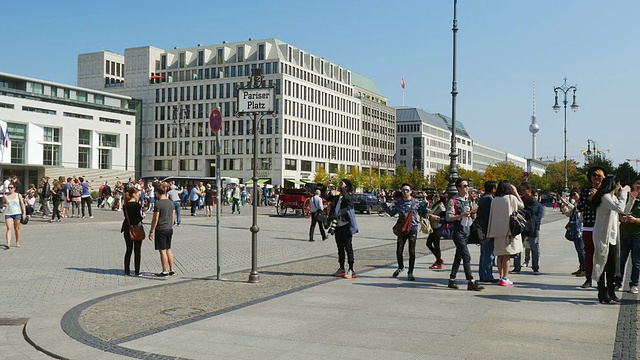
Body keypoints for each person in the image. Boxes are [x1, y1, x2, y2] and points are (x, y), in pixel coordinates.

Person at [592, 177, 628, 304]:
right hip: (603, 235)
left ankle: (611, 291)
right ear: (614, 185)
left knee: (612, 265)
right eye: (618, 184)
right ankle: (602, 292)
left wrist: (631, 197)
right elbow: (620, 208)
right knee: (601, 263)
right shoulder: (605, 197)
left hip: (613, 235)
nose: (620, 187)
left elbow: (623, 210)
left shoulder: (613, 197)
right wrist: (623, 194)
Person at [382, 183, 428, 281]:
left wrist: (425, 207)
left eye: (407, 190)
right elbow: (391, 213)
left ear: (411, 191)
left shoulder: (416, 202)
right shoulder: (399, 202)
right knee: (399, 251)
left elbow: (423, 214)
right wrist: (383, 204)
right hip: (402, 229)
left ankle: (410, 272)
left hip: (412, 229)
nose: (405, 192)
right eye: (403, 190)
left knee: (412, 251)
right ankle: (401, 266)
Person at [446, 179, 484, 291]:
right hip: (458, 232)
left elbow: (472, 217)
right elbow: (448, 217)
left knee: (459, 256)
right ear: (458, 188)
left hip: (466, 231)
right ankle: (470, 281)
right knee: (466, 256)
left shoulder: (468, 200)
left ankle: (452, 279)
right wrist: (461, 215)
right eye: (464, 186)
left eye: (467, 186)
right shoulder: (453, 201)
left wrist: (472, 213)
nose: (467, 188)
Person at [486, 180, 524, 287]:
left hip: (497, 231)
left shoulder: (494, 200)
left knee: (500, 255)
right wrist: (516, 192)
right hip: (509, 231)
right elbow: (522, 206)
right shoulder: (511, 198)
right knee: (507, 255)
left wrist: (489, 233)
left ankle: (500, 275)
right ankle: (505, 277)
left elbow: (491, 217)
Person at [577, 166, 607, 288]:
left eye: (598, 175)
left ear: (602, 178)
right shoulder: (585, 190)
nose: (596, 178)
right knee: (589, 253)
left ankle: (601, 281)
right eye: (594, 175)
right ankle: (588, 278)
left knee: (602, 254)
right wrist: (590, 198)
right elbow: (581, 207)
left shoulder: (605, 191)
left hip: (603, 225)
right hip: (589, 225)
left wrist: (598, 196)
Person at [325, 179, 359, 279]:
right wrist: (326, 185)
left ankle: (351, 269)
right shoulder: (337, 198)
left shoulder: (349, 196)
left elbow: (348, 200)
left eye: (342, 184)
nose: (340, 185)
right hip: (337, 226)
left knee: (348, 247)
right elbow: (326, 196)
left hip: (346, 226)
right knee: (339, 247)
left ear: (346, 187)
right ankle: (341, 268)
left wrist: (343, 188)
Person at [513, 184, 544, 274]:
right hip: (521, 226)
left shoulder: (534, 202)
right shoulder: (522, 200)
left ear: (529, 190)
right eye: (521, 190)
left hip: (531, 227)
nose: (522, 191)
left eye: (523, 190)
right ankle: (516, 266)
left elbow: (529, 213)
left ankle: (535, 266)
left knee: (534, 247)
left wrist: (519, 212)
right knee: (518, 247)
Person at [148, 182, 176, 277]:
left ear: (157, 192)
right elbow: (173, 216)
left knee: (162, 250)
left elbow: (155, 218)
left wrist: (151, 230)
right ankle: (172, 269)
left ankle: (165, 271)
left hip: (161, 229)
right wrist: (170, 224)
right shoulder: (171, 203)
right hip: (169, 228)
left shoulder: (158, 204)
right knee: (168, 249)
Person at [620, 178, 640, 294]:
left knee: (636, 262)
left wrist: (636, 220)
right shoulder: (626, 198)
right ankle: (618, 282)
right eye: (637, 183)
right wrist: (620, 217)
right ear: (633, 185)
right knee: (621, 260)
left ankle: (634, 284)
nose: (639, 186)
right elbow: (620, 211)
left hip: (638, 235)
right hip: (625, 234)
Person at [560, 189, 586, 277]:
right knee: (579, 250)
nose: (574, 196)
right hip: (575, 229)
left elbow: (578, 213)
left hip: (581, 229)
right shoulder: (575, 204)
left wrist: (567, 203)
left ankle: (584, 268)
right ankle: (581, 267)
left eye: (575, 194)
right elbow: (569, 214)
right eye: (572, 195)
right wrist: (564, 206)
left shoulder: (583, 203)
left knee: (581, 249)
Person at [121, 187, 145, 276]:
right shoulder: (137, 205)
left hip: (127, 228)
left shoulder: (125, 205)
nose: (139, 195)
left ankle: (126, 270)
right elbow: (138, 217)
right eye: (138, 194)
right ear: (134, 195)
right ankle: (137, 271)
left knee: (128, 250)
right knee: (137, 251)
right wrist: (142, 216)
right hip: (137, 228)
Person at [477, 181, 498, 283]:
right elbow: (488, 217)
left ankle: (483, 274)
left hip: (483, 230)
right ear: (493, 189)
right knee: (488, 254)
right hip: (487, 230)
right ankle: (487, 275)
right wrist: (489, 232)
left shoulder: (483, 198)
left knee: (484, 254)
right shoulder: (489, 199)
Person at [426, 193, 447, 269]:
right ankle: (439, 259)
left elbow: (443, 219)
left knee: (436, 245)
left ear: (440, 198)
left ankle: (438, 262)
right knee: (429, 243)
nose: (434, 198)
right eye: (434, 196)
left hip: (438, 227)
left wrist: (431, 216)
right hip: (433, 227)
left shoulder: (441, 206)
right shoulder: (435, 205)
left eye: (436, 196)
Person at [3, 182, 26, 249]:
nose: (10, 189)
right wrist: (4, 205)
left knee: (16, 229)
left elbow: (22, 204)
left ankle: (17, 242)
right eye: (9, 188)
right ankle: (8, 243)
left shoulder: (18, 195)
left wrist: (24, 213)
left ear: (14, 188)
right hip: (8, 213)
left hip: (17, 213)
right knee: (9, 228)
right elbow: (4, 203)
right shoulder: (5, 196)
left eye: (11, 187)